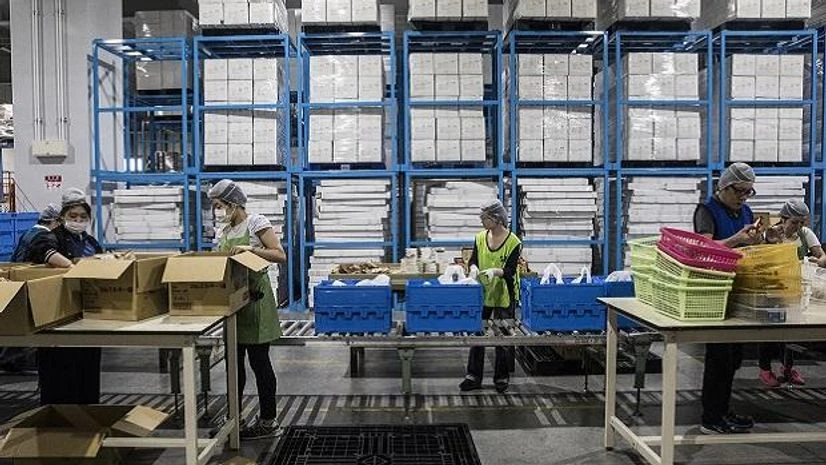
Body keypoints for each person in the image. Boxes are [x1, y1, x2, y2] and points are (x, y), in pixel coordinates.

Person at [208, 179, 286, 439]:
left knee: (259, 362)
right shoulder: (224, 232)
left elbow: (279, 254)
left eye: (220, 206)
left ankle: (268, 420)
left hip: (256, 302)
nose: (218, 211)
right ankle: (235, 418)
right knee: (234, 365)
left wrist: (251, 249)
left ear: (233, 203)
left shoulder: (256, 223)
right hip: (234, 305)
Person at [693, 162, 762, 435]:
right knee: (718, 356)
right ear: (724, 186)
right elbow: (702, 248)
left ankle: (723, 410)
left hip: (739, 290)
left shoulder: (745, 211)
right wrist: (736, 239)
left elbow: (749, 245)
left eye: (748, 192)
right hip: (715, 291)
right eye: (740, 192)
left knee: (734, 357)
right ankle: (710, 417)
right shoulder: (706, 211)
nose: (744, 198)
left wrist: (763, 239)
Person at [29, 188, 103, 404]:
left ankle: (87, 417)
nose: (78, 221)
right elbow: (45, 252)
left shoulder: (90, 242)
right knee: (60, 372)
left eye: (83, 217)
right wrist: (72, 266)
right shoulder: (52, 237)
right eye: (73, 216)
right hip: (58, 314)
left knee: (86, 370)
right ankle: (58, 419)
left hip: (87, 314)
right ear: (62, 217)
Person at [758, 199, 822, 387]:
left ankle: (787, 368)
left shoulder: (805, 234)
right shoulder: (770, 234)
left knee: (791, 332)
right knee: (770, 331)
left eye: (802, 222)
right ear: (783, 219)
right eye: (794, 222)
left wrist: (816, 262)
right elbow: (760, 256)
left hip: (797, 289)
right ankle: (765, 369)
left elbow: (822, 256)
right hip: (773, 289)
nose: (798, 226)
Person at [459, 199, 521, 394]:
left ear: (495, 218)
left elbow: (510, 270)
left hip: (504, 293)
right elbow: (474, 260)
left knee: (502, 336)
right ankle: (473, 376)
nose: (481, 221)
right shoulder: (479, 237)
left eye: (484, 217)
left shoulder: (514, 242)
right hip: (484, 292)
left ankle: (502, 377)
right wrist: (474, 268)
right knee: (479, 333)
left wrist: (496, 271)